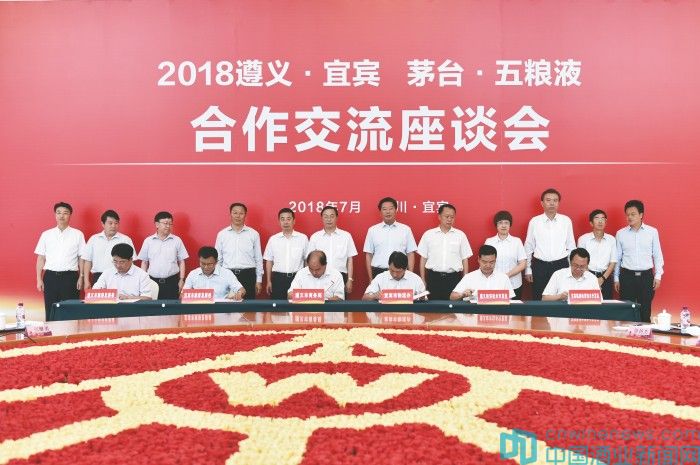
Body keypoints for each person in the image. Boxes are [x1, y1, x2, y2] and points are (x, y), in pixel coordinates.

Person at [614, 200, 664, 322]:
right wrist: (616, 278)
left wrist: (658, 275)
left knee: (645, 311)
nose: (629, 217)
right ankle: (627, 334)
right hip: (627, 276)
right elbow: (618, 257)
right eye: (627, 214)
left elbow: (657, 255)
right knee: (627, 311)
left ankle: (645, 334)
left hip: (646, 277)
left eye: (633, 214)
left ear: (641, 214)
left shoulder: (652, 232)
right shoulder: (620, 234)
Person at [35, 202, 86, 317]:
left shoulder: (78, 234)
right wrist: (39, 279)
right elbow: (41, 258)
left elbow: (81, 258)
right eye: (58, 213)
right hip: (50, 277)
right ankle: (52, 329)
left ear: (70, 215)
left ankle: (71, 329)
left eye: (65, 213)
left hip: (70, 277)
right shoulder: (46, 234)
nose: (61, 216)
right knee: (50, 309)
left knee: (71, 311)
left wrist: (81, 277)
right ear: (55, 215)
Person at [524, 188, 575, 300]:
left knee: (562, 297)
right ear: (542, 203)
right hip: (540, 266)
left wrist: (571, 268)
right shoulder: (535, 221)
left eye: (555, 200)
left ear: (558, 203)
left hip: (561, 265)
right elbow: (528, 246)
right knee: (539, 297)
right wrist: (528, 268)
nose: (552, 203)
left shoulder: (566, 221)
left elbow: (571, 246)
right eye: (548, 200)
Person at [417, 204, 472, 300]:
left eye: (452, 217)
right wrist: (423, 279)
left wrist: (465, 281)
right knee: (433, 307)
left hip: (454, 279)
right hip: (434, 278)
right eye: (447, 216)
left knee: (454, 307)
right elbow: (423, 259)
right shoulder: (428, 234)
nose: (449, 219)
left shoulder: (460, 235)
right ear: (439, 217)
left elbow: (465, 259)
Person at [214, 202, 263, 299]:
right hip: (227, 274)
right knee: (228, 305)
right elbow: (218, 259)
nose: (238, 216)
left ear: (245, 215)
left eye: (241, 213)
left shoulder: (253, 234)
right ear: (230, 214)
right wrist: (218, 278)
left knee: (248, 306)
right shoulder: (222, 234)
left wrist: (259, 280)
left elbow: (258, 259)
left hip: (248, 275)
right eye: (235, 213)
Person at [307, 205, 357, 296]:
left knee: (339, 303)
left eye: (332, 216)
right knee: (318, 303)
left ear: (336, 218)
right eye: (326, 216)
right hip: (319, 276)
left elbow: (350, 260)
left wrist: (350, 279)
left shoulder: (346, 236)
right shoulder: (315, 237)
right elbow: (309, 260)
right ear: (322, 218)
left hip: (340, 276)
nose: (329, 219)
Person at [138, 211, 189, 299]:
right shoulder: (148, 241)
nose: (168, 226)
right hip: (152, 281)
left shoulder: (177, 240)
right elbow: (144, 262)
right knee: (152, 306)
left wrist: (181, 280)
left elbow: (181, 261)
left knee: (172, 306)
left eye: (170, 224)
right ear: (157, 224)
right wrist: (143, 280)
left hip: (172, 281)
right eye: (165, 223)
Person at [363, 197, 417, 279]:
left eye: (391, 208)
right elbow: (369, 255)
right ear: (380, 212)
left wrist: (409, 276)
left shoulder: (406, 229)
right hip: (379, 272)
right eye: (384, 209)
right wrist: (371, 279)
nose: (388, 212)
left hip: (400, 272)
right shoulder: (372, 230)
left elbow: (410, 254)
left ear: (396, 210)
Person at [82, 210, 136, 289]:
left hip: (119, 277)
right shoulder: (94, 239)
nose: (113, 226)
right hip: (98, 276)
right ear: (103, 224)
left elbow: (131, 261)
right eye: (110, 223)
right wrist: (86, 281)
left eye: (116, 223)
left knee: (119, 297)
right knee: (99, 297)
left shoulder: (125, 239)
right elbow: (88, 261)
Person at [264, 208, 309, 299]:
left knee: (297, 306)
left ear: (294, 221)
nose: (285, 222)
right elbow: (269, 261)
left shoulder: (303, 238)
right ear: (279, 222)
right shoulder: (273, 239)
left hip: (297, 278)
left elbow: (307, 260)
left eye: (288, 219)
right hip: (278, 279)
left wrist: (306, 279)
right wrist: (268, 281)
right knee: (278, 306)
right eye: (282, 219)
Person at [484, 210, 527, 300]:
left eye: (506, 223)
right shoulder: (489, 241)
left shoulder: (517, 241)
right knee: (495, 308)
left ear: (510, 225)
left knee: (514, 308)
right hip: (494, 284)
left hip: (514, 284)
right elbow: (484, 263)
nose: (503, 225)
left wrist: (506, 276)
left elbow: (523, 263)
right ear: (496, 225)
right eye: (500, 223)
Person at [449, 245, 514, 300]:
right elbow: (452, 297)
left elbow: (510, 300)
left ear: (495, 260)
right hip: (475, 310)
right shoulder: (469, 277)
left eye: (491, 262)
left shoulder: (503, 278)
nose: (488, 265)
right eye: (484, 262)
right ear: (479, 259)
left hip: (497, 311)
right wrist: (462, 294)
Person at [577, 209, 616, 300]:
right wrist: (593, 280)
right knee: (587, 305)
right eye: (597, 218)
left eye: (603, 218)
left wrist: (602, 279)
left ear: (606, 222)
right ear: (591, 223)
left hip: (605, 278)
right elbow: (580, 261)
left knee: (606, 306)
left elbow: (613, 262)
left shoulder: (611, 239)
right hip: (586, 276)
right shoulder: (583, 239)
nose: (600, 221)